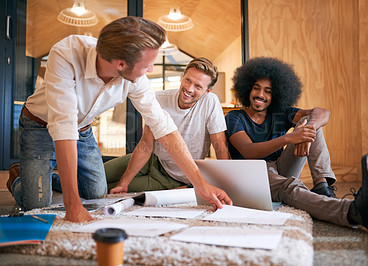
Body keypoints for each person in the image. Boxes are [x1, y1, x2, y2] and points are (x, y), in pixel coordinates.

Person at [6, 17, 231, 223]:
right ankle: (19, 176)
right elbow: (63, 126)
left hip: (82, 130)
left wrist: (202, 186)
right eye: (147, 65)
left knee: (96, 192)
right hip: (39, 125)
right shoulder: (67, 53)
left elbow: (164, 127)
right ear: (121, 64)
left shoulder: (136, 77)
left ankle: (45, 175)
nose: (151, 70)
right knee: (36, 204)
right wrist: (72, 206)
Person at [225, 57, 368, 234]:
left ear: (276, 95)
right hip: (253, 173)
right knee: (288, 186)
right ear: (246, 89)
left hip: (280, 166)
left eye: (268, 91)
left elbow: (322, 113)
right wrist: (289, 138)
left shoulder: (280, 114)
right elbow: (248, 151)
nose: (261, 95)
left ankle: (322, 186)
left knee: (309, 121)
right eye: (256, 88)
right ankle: (352, 212)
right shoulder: (235, 117)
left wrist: (308, 130)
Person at [105, 57, 230, 194]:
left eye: (198, 86)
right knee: (96, 176)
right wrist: (124, 183)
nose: (189, 89)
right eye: (188, 80)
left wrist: (224, 187)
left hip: (173, 178)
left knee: (101, 190)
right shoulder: (159, 99)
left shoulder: (210, 103)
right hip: (152, 159)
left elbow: (220, 148)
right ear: (182, 77)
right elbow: (146, 144)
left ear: (207, 91)